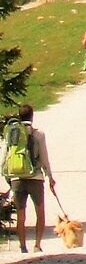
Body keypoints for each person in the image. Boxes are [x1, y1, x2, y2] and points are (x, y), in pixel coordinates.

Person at [3, 106, 54, 252]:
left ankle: (23, 246)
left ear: (19, 116)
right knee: (40, 211)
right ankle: (37, 245)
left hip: (17, 178)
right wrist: (50, 176)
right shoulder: (39, 134)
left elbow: (4, 157)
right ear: (32, 116)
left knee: (21, 213)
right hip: (36, 177)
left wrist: (8, 176)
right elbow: (44, 157)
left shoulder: (12, 134)